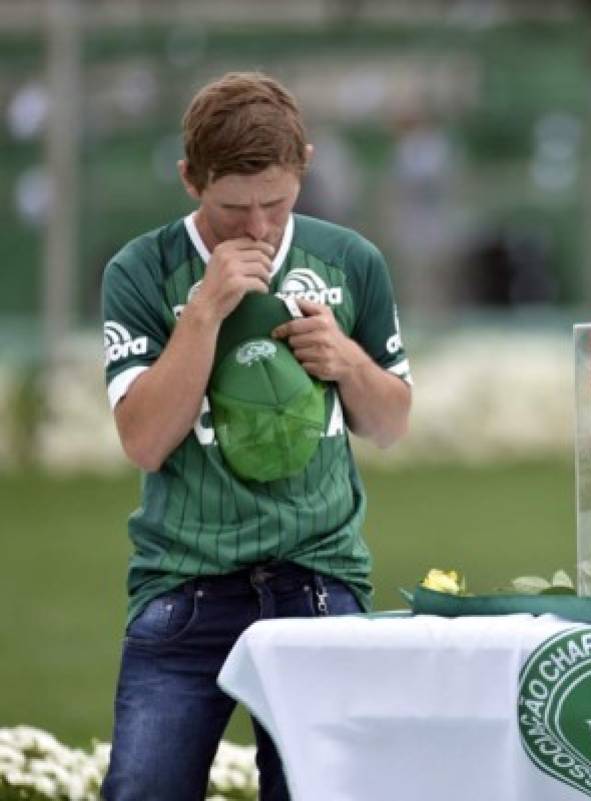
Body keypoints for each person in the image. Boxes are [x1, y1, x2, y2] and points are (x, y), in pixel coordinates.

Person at [98, 72, 413, 800]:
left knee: (317, 792)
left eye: (276, 202)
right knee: (142, 789)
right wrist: (205, 309)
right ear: (189, 180)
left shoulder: (351, 260)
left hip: (320, 578)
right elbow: (143, 440)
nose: (260, 228)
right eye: (233, 208)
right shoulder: (141, 270)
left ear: (304, 163)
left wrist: (346, 360)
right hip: (184, 583)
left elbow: (391, 422)